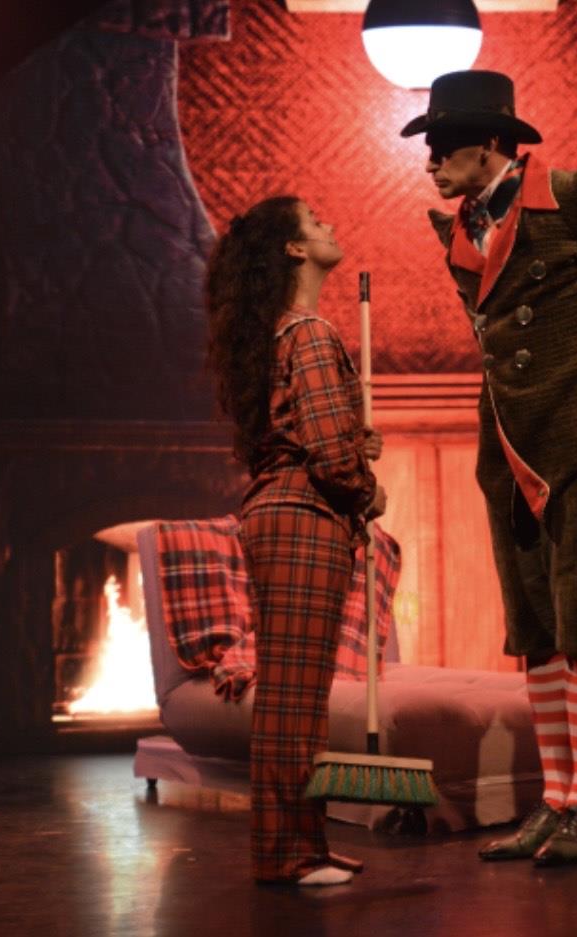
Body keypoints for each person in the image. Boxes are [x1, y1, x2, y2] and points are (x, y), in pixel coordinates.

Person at [401, 70, 577, 865]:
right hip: (507, 444)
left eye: (443, 145)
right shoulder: (459, 231)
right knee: (534, 626)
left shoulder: (570, 198)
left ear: (491, 142)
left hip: (576, 435)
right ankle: (555, 800)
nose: (431, 161)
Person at [205, 195, 385, 886]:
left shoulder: (279, 333)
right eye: (315, 220)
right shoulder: (308, 332)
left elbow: (305, 436)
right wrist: (368, 486)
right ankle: (286, 852)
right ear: (293, 248)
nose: (330, 223)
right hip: (303, 519)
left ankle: (302, 843)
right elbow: (332, 460)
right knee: (293, 695)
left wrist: (352, 441)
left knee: (297, 692)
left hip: (283, 512)